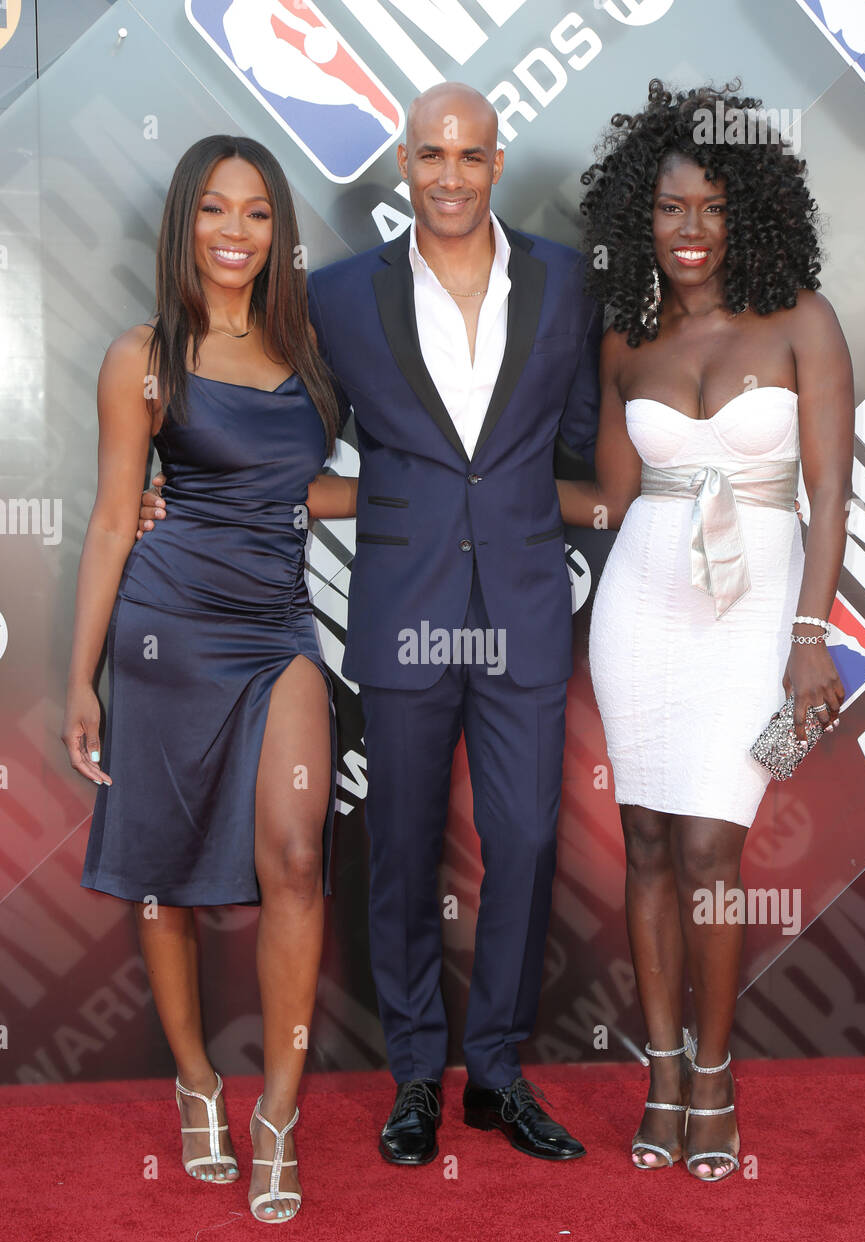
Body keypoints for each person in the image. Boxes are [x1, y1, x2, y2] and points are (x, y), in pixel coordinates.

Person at [139, 83, 600, 1166]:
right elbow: (268, 428)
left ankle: (491, 1066)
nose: (449, 173)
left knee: (524, 840)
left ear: (496, 162)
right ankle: (411, 1072)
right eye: (430, 153)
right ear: (403, 161)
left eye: (469, 155)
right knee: (396, 844)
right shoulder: (338, 298)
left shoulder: (566, 281)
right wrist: (177, 494)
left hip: (526, 605)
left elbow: (584, 433)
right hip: (401, 604)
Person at [556, 79, 853, 1181]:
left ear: (748, 213)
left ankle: (717, 1075)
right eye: (669, 209)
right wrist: (471, 489)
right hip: (641, 603)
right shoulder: (625, 337)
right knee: (640, 841)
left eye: (709, 209)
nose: (687, 232)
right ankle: (662, 1071)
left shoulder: (799, 321)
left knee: (707, 846)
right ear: (643, 214)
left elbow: (831, 492)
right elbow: (613, 504)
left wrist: (810, 634)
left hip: (757, 612)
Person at [63, 134, 349, 1224]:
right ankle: (197, 1081)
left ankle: (276, 1110)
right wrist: (83, 676)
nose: (236, 233)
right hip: (165, 631)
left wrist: (389, 499)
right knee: (164, 870)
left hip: (277, 629)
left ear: (279, 231)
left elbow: (297, 486)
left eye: (259, 214)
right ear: (184, 222)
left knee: (292, 850)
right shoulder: (142, 354)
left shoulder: (309, 346)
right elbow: (107, 517)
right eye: (215, 212)